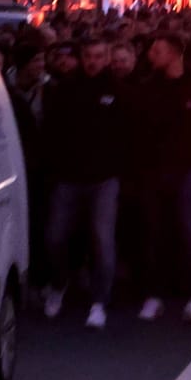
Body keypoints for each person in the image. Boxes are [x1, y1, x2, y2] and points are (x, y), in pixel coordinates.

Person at [40, 38, 129, 329]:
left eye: (99, 56)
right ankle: (59, 284)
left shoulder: (117, 89)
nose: (93, 61)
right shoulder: (66, 88)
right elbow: (52, 129)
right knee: (54, 236)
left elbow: (127, 133)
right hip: (68, 177)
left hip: (104, 178)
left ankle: (99, 301)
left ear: (106, 58)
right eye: (88, 56)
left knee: (102, 241)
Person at [135, 35, 191, 323]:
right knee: (154, 233)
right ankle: (154, 295)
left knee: (187, 231)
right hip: (155, 170)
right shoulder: (147, 88)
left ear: (173, 54)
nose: (150, 55)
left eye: (157, 50)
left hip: (188, 171)